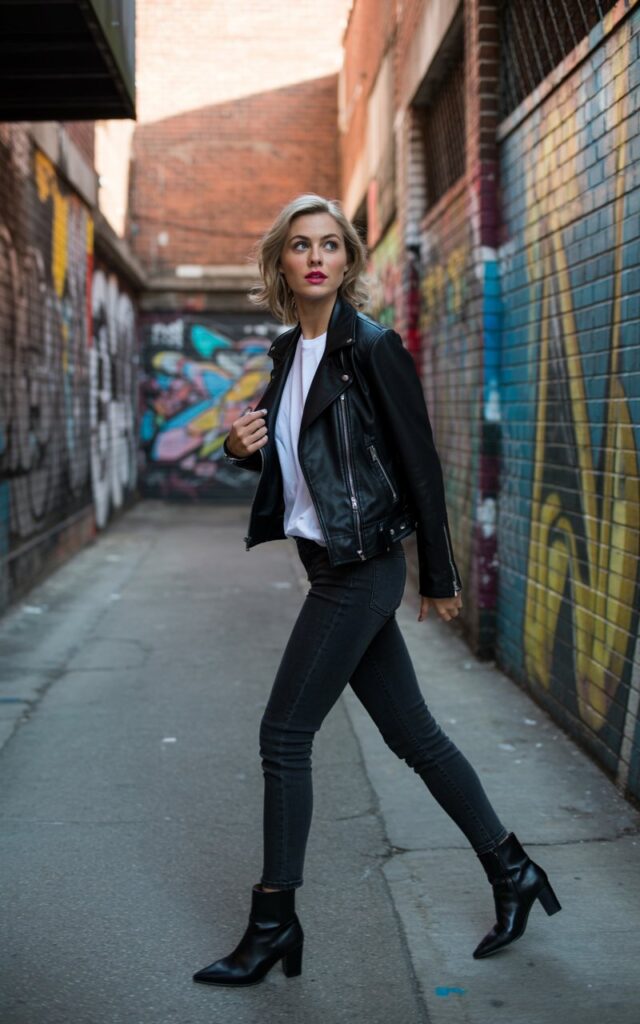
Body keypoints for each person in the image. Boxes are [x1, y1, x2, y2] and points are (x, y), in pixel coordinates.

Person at [193, 194, 561, 987]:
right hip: (328, 565)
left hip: (363, 569)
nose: (316, 256)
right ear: (282, 262)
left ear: (350, 262)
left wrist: (439, 572)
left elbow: (417, 462)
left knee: (284, 734)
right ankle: (513, 870)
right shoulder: (288, 354)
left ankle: (272, 924)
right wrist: (237, 447)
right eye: (301, 246)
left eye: (331, 244)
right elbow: (309, 468)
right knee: (414, 735)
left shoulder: (372, 347)